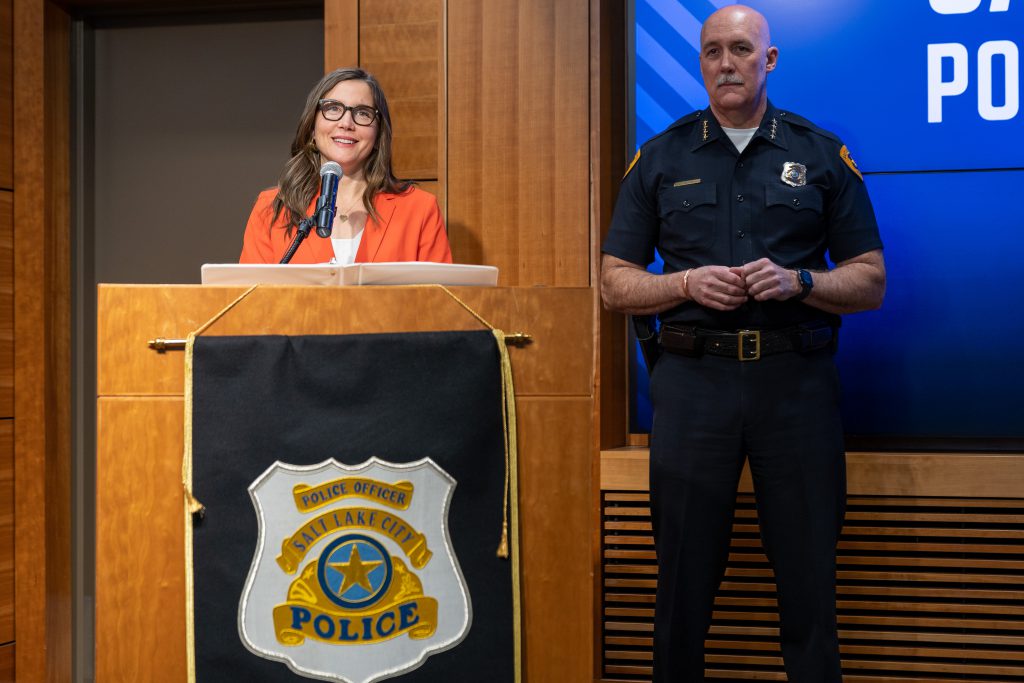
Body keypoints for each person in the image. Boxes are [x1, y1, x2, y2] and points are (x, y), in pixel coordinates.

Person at [601, 6, 885, 682]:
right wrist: (686, 284)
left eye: (739, 49)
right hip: (693, 388)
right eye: (711, 52)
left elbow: (870, 279)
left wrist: (801, 280)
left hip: (797, 387)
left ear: (770, 60)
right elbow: (614, 283)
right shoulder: (661, 157)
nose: (724, 63)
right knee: (681, 584)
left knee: (809, 580)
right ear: (700, 62)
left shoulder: (820, 153)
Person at [240, 68, 452, 264]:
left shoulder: (419, 209)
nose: (346, 123)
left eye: (362, 113)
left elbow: (438, 301)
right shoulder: (271, 209)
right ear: (312, 128)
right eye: (333, 109)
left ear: (378, 134)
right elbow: (249, 299)